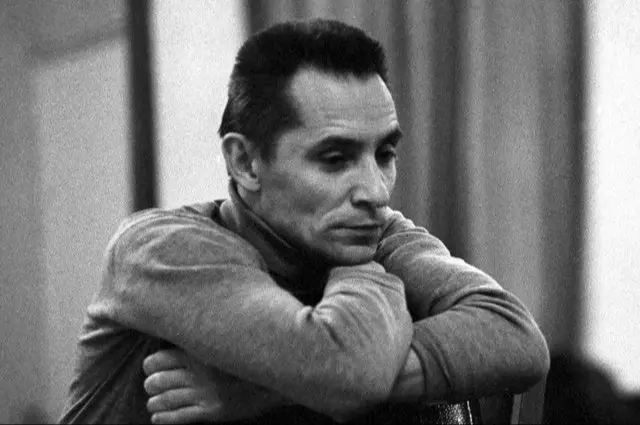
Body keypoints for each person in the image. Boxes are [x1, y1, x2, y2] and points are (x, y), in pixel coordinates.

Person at [59, 19, 549, 424]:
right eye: (335, 159)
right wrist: (326, 364)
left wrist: (256, 389)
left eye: (384, 154)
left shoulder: (372, 230)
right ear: (246, 163)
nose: (376, 192)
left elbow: (515, 336)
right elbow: (348, 371)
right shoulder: (160, 248)